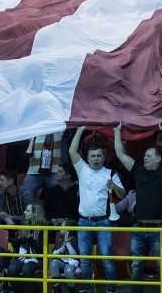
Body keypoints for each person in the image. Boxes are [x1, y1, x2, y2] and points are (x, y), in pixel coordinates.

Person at [114, 122, 162, 293]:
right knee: (137, 267)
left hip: (159, 228)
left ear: (158, 158)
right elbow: (120, 154)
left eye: (149, 155)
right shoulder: (138, 171)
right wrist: (117, 132)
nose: (144, 157)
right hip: (138, 228)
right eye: (144, 155)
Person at [68, 126, 125, 293]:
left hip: (103, 221)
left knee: (107, 258)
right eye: (93, 156)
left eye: (99, 155)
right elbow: (72, 151)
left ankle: (111, 289)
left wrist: (114, 186)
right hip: (84, 221)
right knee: (85, 259)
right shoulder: (82, 169)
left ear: (104, 157)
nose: (96, 158)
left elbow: (122, 195)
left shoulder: (111, 173)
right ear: (87, 157)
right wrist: (79, 130)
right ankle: (86, 288)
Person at [6, 204, 48, 293]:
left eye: (28, 211)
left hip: (37, 259)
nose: (25, 212)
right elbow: (14, 245)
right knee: (12, 269)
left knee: (26, 270)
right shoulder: (23, 225)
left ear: (35, 214)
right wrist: (19, 238)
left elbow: (40, 250)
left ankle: (37, 291)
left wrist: (29, 237)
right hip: (22, 257)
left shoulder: (43, 228)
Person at [49, 223, 80, 293]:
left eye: (63, 226)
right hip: (61, 262)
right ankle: (57, 290)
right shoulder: (59, 238)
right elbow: (53, 254)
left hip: (72, 263)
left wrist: (67, 243)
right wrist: (59, 250)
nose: (61, 227)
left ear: (68, 229)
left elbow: (75, 256)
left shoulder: (74, 239)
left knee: (68, 271)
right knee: (54, 263)